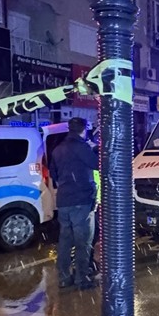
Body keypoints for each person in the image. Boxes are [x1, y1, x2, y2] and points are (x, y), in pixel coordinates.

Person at [49, 117, 98, 289]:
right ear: (83, 130)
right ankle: (82, 278)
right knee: (83, 241)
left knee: (65, 241)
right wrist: (95, 149)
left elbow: (53, 174)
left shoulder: (57, 149)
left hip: (63, 200)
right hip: (81, 200)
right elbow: (97, 164)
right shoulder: (82, 147)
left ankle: (63, 278)